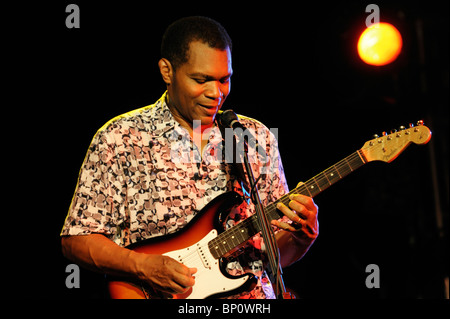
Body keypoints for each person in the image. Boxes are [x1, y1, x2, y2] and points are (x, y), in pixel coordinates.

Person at [60, 16, 319, 299]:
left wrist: (300, 238)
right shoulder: (120, 137)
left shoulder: (252, 137)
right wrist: (143, 266)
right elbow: (77, 240)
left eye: (224, 79)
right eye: (201, 79)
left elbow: (270, 259)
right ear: (167, 71)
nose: (215, 93)